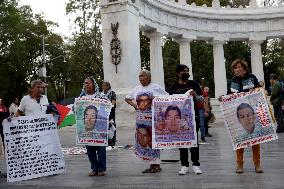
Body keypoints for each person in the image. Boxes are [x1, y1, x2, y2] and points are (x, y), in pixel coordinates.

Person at [125, 69, 168, 173]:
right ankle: (151, 165)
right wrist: (135, 106)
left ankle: (156, 164)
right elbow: (127, 98)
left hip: (153, 119)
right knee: (144, 141)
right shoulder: (137, 88)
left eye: (143, 76)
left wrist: (155, 98)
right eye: (140, 76)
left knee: (153, 141)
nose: (141, 78)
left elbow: (167, 97)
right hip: (140, 120)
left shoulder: (156, 87)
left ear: (148, 77)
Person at [224, 59, 263, 174]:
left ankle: (257, 164)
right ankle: (239, 164)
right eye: (235, 68)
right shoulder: (232, 81)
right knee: (239, 139)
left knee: (255, 139)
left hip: (252, 112)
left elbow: (259, 90)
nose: (237, 69)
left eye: (239, 67)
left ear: (244, 68)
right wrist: (223, 98)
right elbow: (228, 95)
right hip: (239, 114)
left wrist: (255, 90)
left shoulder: (252, 77)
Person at [169, 64, 203, 175]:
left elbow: (201, 99)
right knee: (181, 142)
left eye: (187, 71)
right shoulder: (174, 87)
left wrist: (196, 95)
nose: (186, 73)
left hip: (193, 117)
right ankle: (184, 165)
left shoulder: (194, 84)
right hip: (179, 119)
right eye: (184, 71)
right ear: (178, 73)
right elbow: (169, 102)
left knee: (194, 141)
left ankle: (196, 164)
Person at [79, 77, 108, 177]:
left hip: (99, 126)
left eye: (88, 83)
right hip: (87, 127)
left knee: (100, 148)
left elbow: (107, 108)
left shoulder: (101, 96)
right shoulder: (82, 96)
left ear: (93, 84)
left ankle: (102, 168)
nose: (86, 85)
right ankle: (94, 168)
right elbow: (77, 110)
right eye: (85, 83)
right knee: (90, 149)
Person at [101, 81, 117, 146]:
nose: (102, 87)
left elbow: (113, 101)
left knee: (111, 124)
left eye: (104, 86)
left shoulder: (112, 93)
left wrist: (110, 107)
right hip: (103, 111)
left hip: (110, 111)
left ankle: (112, 140)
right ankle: (105, 139)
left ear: (107, 86)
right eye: (102, 86)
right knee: (104, 125)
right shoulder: (101, 94)